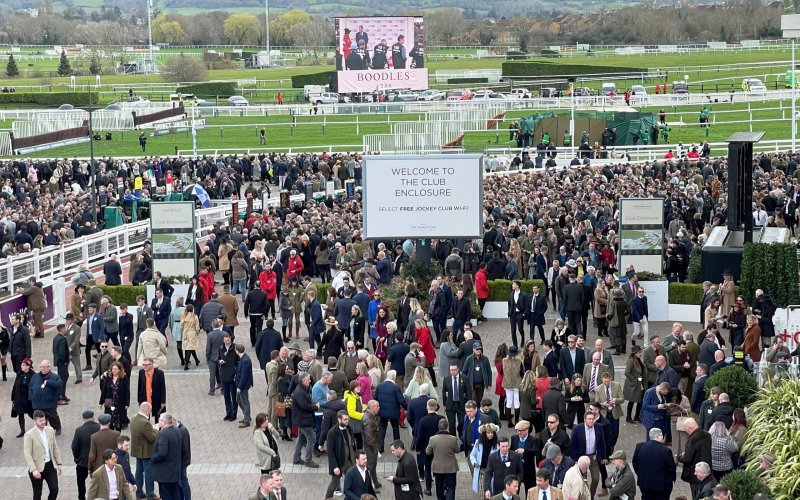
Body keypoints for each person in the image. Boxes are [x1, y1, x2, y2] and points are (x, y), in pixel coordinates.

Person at [23, 410, 63, 500]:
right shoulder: (29, 435)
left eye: (44, 420)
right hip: (37, 468)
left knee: (54, 489)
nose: (43, 422)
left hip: (49, 465)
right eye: (40, 421)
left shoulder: (50, 430)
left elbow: (54, 447)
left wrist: (59, 463)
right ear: (35, 421)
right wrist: (33, 470)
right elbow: (27, 453)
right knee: (37, 493)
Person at [569, 412, 607, 497]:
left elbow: (602, 443)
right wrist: (575, 459)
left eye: (593, 419)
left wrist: (603, 457)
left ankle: (591, 495)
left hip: (593, 457)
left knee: (596, 478)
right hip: (581, 457)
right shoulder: (577, 428)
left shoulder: (599, 427)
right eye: (589, 419)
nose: (591, 421)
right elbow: (572, 445)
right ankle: (585, 496)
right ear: (584, 419)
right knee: (583, 479)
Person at [632, 427, 676, 500]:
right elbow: (671, 468)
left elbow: (635, 463)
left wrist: (641, 474)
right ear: (658, 436)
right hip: (661, 485)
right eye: (662, 435)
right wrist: (670, 480)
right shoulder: (666, 451)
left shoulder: (639, 447)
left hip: (644, 483)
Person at [426, 417, 460, 500]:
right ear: (447, 427)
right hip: (450, 468)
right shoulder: (453, 439)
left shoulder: (432, 439)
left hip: (438, 467)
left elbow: (428, 452)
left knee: (439, 486)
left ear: (438, 427)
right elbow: (457, 450)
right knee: (451, 487)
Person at [679, 417, 713, 498]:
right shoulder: (707, 435)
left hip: (695, 472)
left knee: (695, 494)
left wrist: (680, 457)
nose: (685, 430)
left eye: (685, 428)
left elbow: (687, 459)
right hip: (707, 469)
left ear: (689, 427)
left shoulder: (692, 440)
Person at [292, 372, 321, 468]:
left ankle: (296, 458)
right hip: (303, 419)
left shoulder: (302, 389)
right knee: (312, 438)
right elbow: (304, 406)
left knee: (301, 438)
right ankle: (308, 460)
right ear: (304, 381)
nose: (310, 381)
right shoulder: (300, 391)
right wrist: (315, 407)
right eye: (308, 379)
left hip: (302, 419)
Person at [151, 413, 182, 500]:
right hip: (174, 470)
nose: (158, 422)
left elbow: (162, 453)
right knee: (175, 493)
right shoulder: (177, 430)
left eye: (160, 420)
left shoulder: (164, 434)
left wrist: (153, 458)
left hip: (165, 473)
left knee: (166, 495)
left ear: (164, 422)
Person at [71, 409, 100, 500]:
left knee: (81, 481)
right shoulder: (99, 427)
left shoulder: (79, 430)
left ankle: (82, 497)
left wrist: (77, 458)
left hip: (83, 462)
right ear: (93, 417)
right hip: (97, 461)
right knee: (98, 481)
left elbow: (74, 446)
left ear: (83, 419)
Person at [29, 359, 63, 435]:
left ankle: (57, 427)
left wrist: (49, 382)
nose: (43, 368)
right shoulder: (35, 376)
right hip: (37, 403)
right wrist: (31, 396)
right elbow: (30, 387)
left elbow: (59, 385)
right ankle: (41, 430)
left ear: (49, 367)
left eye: (45, 367)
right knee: (39, 418)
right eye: (41, 367)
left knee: (53, 417)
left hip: (49, 403)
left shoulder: (54, 377)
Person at [100, 361, 130, 431]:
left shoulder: (124, 378)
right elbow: (104, 390)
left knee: (118, 422)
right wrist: (101, 402)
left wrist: (127, 403)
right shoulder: (108, 377)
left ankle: (118, 437)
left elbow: (127, 391)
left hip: (119, 403)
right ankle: (111, 437)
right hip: (109, 402)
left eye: (115, 369)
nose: (114, 370)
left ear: (120, 370)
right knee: (110, 420)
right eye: (113, 369)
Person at [510, 420, 539, 493]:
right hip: (517, 470)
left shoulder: (533, 439)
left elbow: (535, 451)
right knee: (514, 492)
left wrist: (524, 450)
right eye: (518, 431)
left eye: (521, 431)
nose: (519, 432)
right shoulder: (514, 438)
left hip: (528, 470)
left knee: (529, 491)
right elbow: (511, 450)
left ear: (527, 430)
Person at [219, 333, 239, 422]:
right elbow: (218, 358)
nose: (227, 342)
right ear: (223, 340)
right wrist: (219, 361)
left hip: (232, 376)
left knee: (233, 396)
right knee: (226, 396)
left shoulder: (235, 348)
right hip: (224, 375)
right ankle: (228, 413)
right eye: (225, 341)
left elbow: (239, 361)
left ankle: (234, 414)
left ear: (230, 339)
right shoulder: (221, 348)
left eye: (228, 340)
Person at [52, 324, 70, 404]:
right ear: (62, 329)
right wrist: (65, 361)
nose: (66, 329)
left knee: (65, 376)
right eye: (65, 328)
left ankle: (62, 394)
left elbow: (54, 350)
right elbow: (62, 352)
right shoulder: (62, 339)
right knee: (62, 379)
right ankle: (59, 397)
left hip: (58, 361)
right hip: (62, 362)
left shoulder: (56, 338)